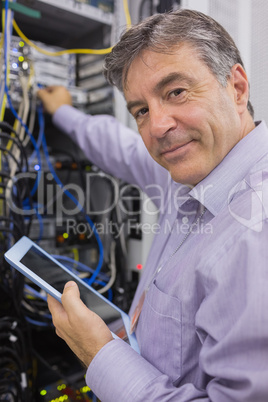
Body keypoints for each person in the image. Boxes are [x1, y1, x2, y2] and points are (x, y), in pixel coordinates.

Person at [38, 9, 268, 401]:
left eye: (176, 91)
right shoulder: (194, 170)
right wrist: (63, 112)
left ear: (238, 87)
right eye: (141, 110)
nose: (157, 126)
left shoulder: (253, 234)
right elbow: (121, 147)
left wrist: (99, 354)